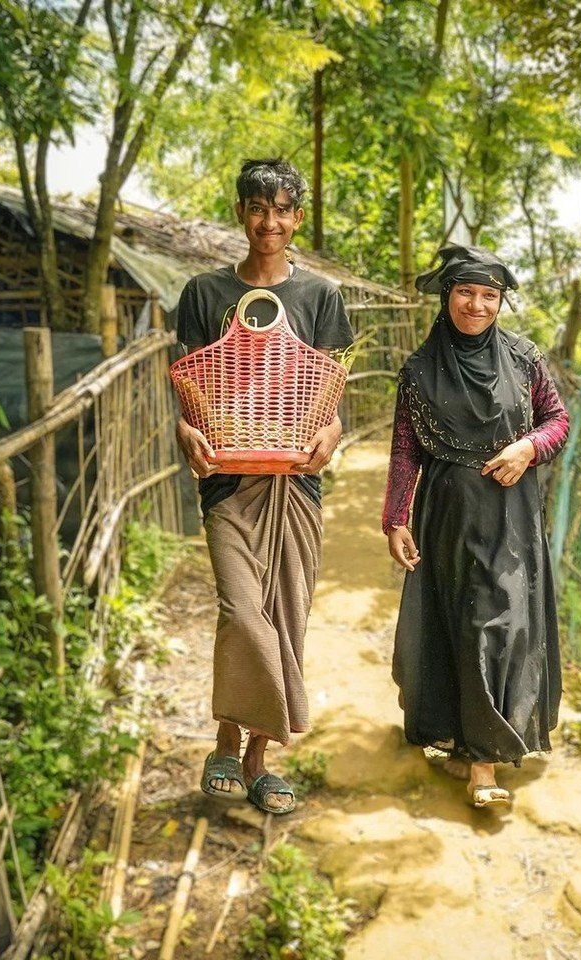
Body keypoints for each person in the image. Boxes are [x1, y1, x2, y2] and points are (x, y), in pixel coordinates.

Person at [175, 158, 352, 814]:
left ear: (297, 218)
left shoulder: (321, 297)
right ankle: (225, 738)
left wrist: (329, 438)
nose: (269, 222)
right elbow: (189, 390)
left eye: (282, 210)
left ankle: (257, 758)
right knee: (242, 612)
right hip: (229, 482)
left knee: (286, 616)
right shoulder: (202, 294)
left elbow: (331, 397)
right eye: (258, 208)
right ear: (240, 212)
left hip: (296, 484)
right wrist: (185, 434)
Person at [382, 244, 569, 808]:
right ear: (447, 296)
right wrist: (395, 518)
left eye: (490, 295)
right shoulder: (418, 371)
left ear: (501, 302)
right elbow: (405, 451)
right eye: (466, 291)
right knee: (457, 624)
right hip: (446, 513)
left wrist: (527, 448)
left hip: (511, 514)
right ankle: (466, 745)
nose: (478, 305)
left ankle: (485, 764)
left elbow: (558, 421)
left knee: (502, 622)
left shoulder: (525, 361)